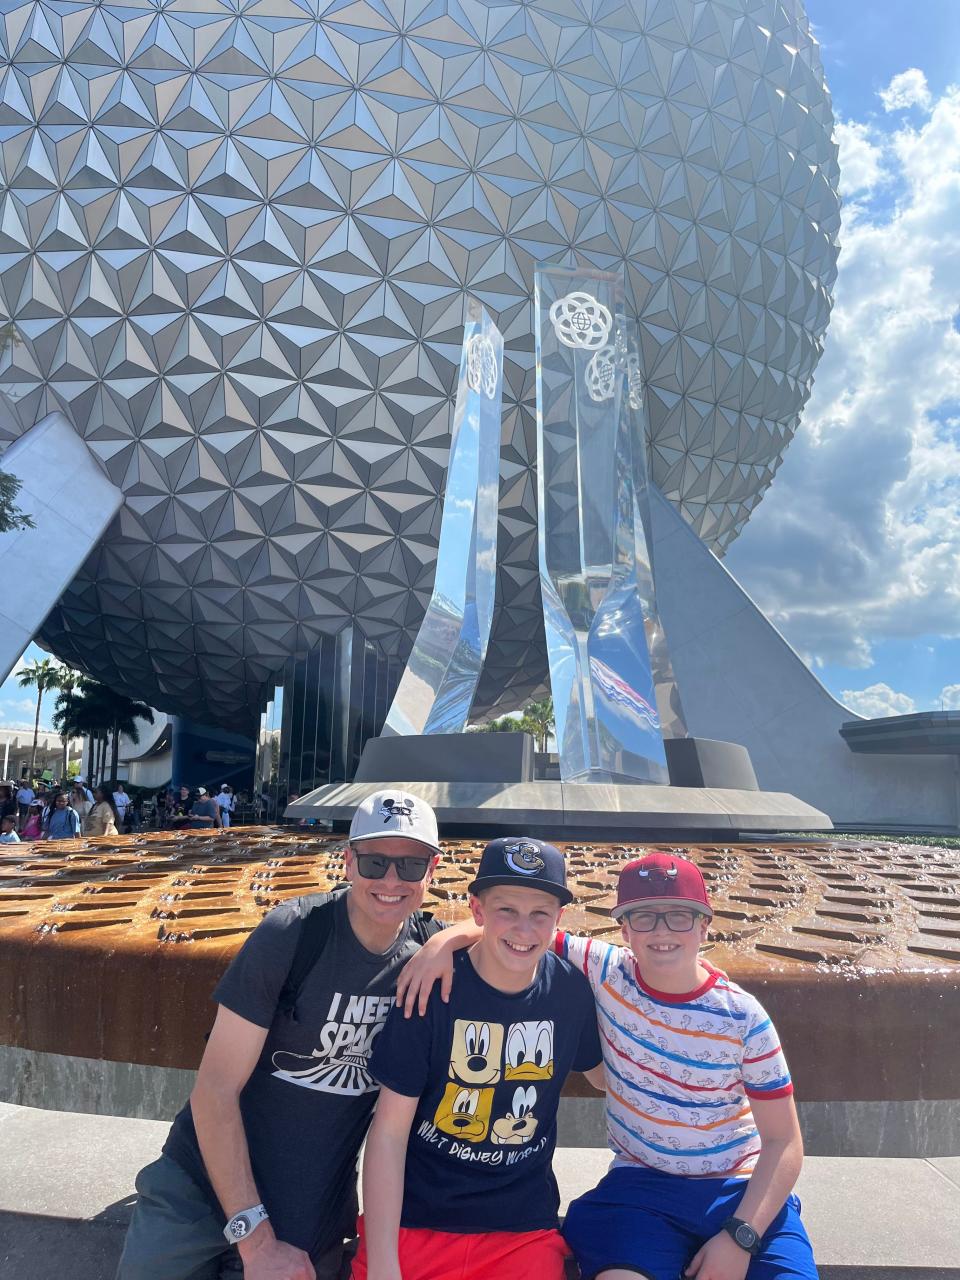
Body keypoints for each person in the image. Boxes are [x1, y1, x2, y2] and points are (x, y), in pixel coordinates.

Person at [116, 791, 471, 1280]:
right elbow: (215, 1091)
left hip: (308, 1208)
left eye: (411, 866)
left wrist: (451, 938)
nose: (391, 881)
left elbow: (518, 931)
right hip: (196, 1189)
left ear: (432, 872)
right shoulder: (293, 934)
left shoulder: (428, 953)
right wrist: (255, 1242)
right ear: (348, 862)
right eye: (374, 862)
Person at [353, 836, 603, 1280]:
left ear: (559, 919)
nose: (523, 929)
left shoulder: (571, 992)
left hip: (521, 1228)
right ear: (477, 910)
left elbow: (605, 1078)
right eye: (506, 910)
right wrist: (385, 1262)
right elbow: (388, 1132)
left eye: (539, 914)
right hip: (416, 1220)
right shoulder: (429, 991)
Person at [557, 852, 817, 1280]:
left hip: (738, 1189)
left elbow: (784, 1142)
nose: (661, 932)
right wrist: (439, 947)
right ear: (624, 929)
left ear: (704, 926)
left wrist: (741, 1236)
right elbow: (515, 927)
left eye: (679, 916)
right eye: (644, 918)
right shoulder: (606, 970)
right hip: (640, 1189)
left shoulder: (743, 1017)